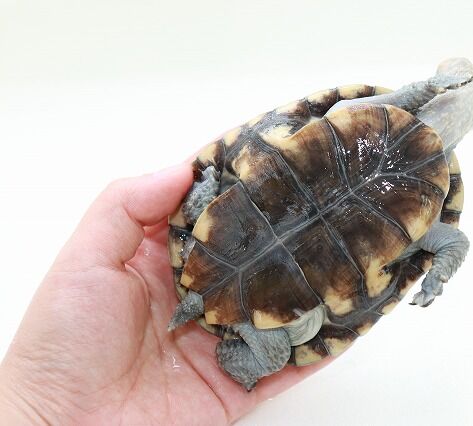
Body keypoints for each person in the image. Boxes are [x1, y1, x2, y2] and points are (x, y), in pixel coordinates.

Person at [0, 162, 328, 424]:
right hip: (279, 279)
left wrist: (41, 407)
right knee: (273, 354)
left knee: (272, 355)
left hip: (235, 248)